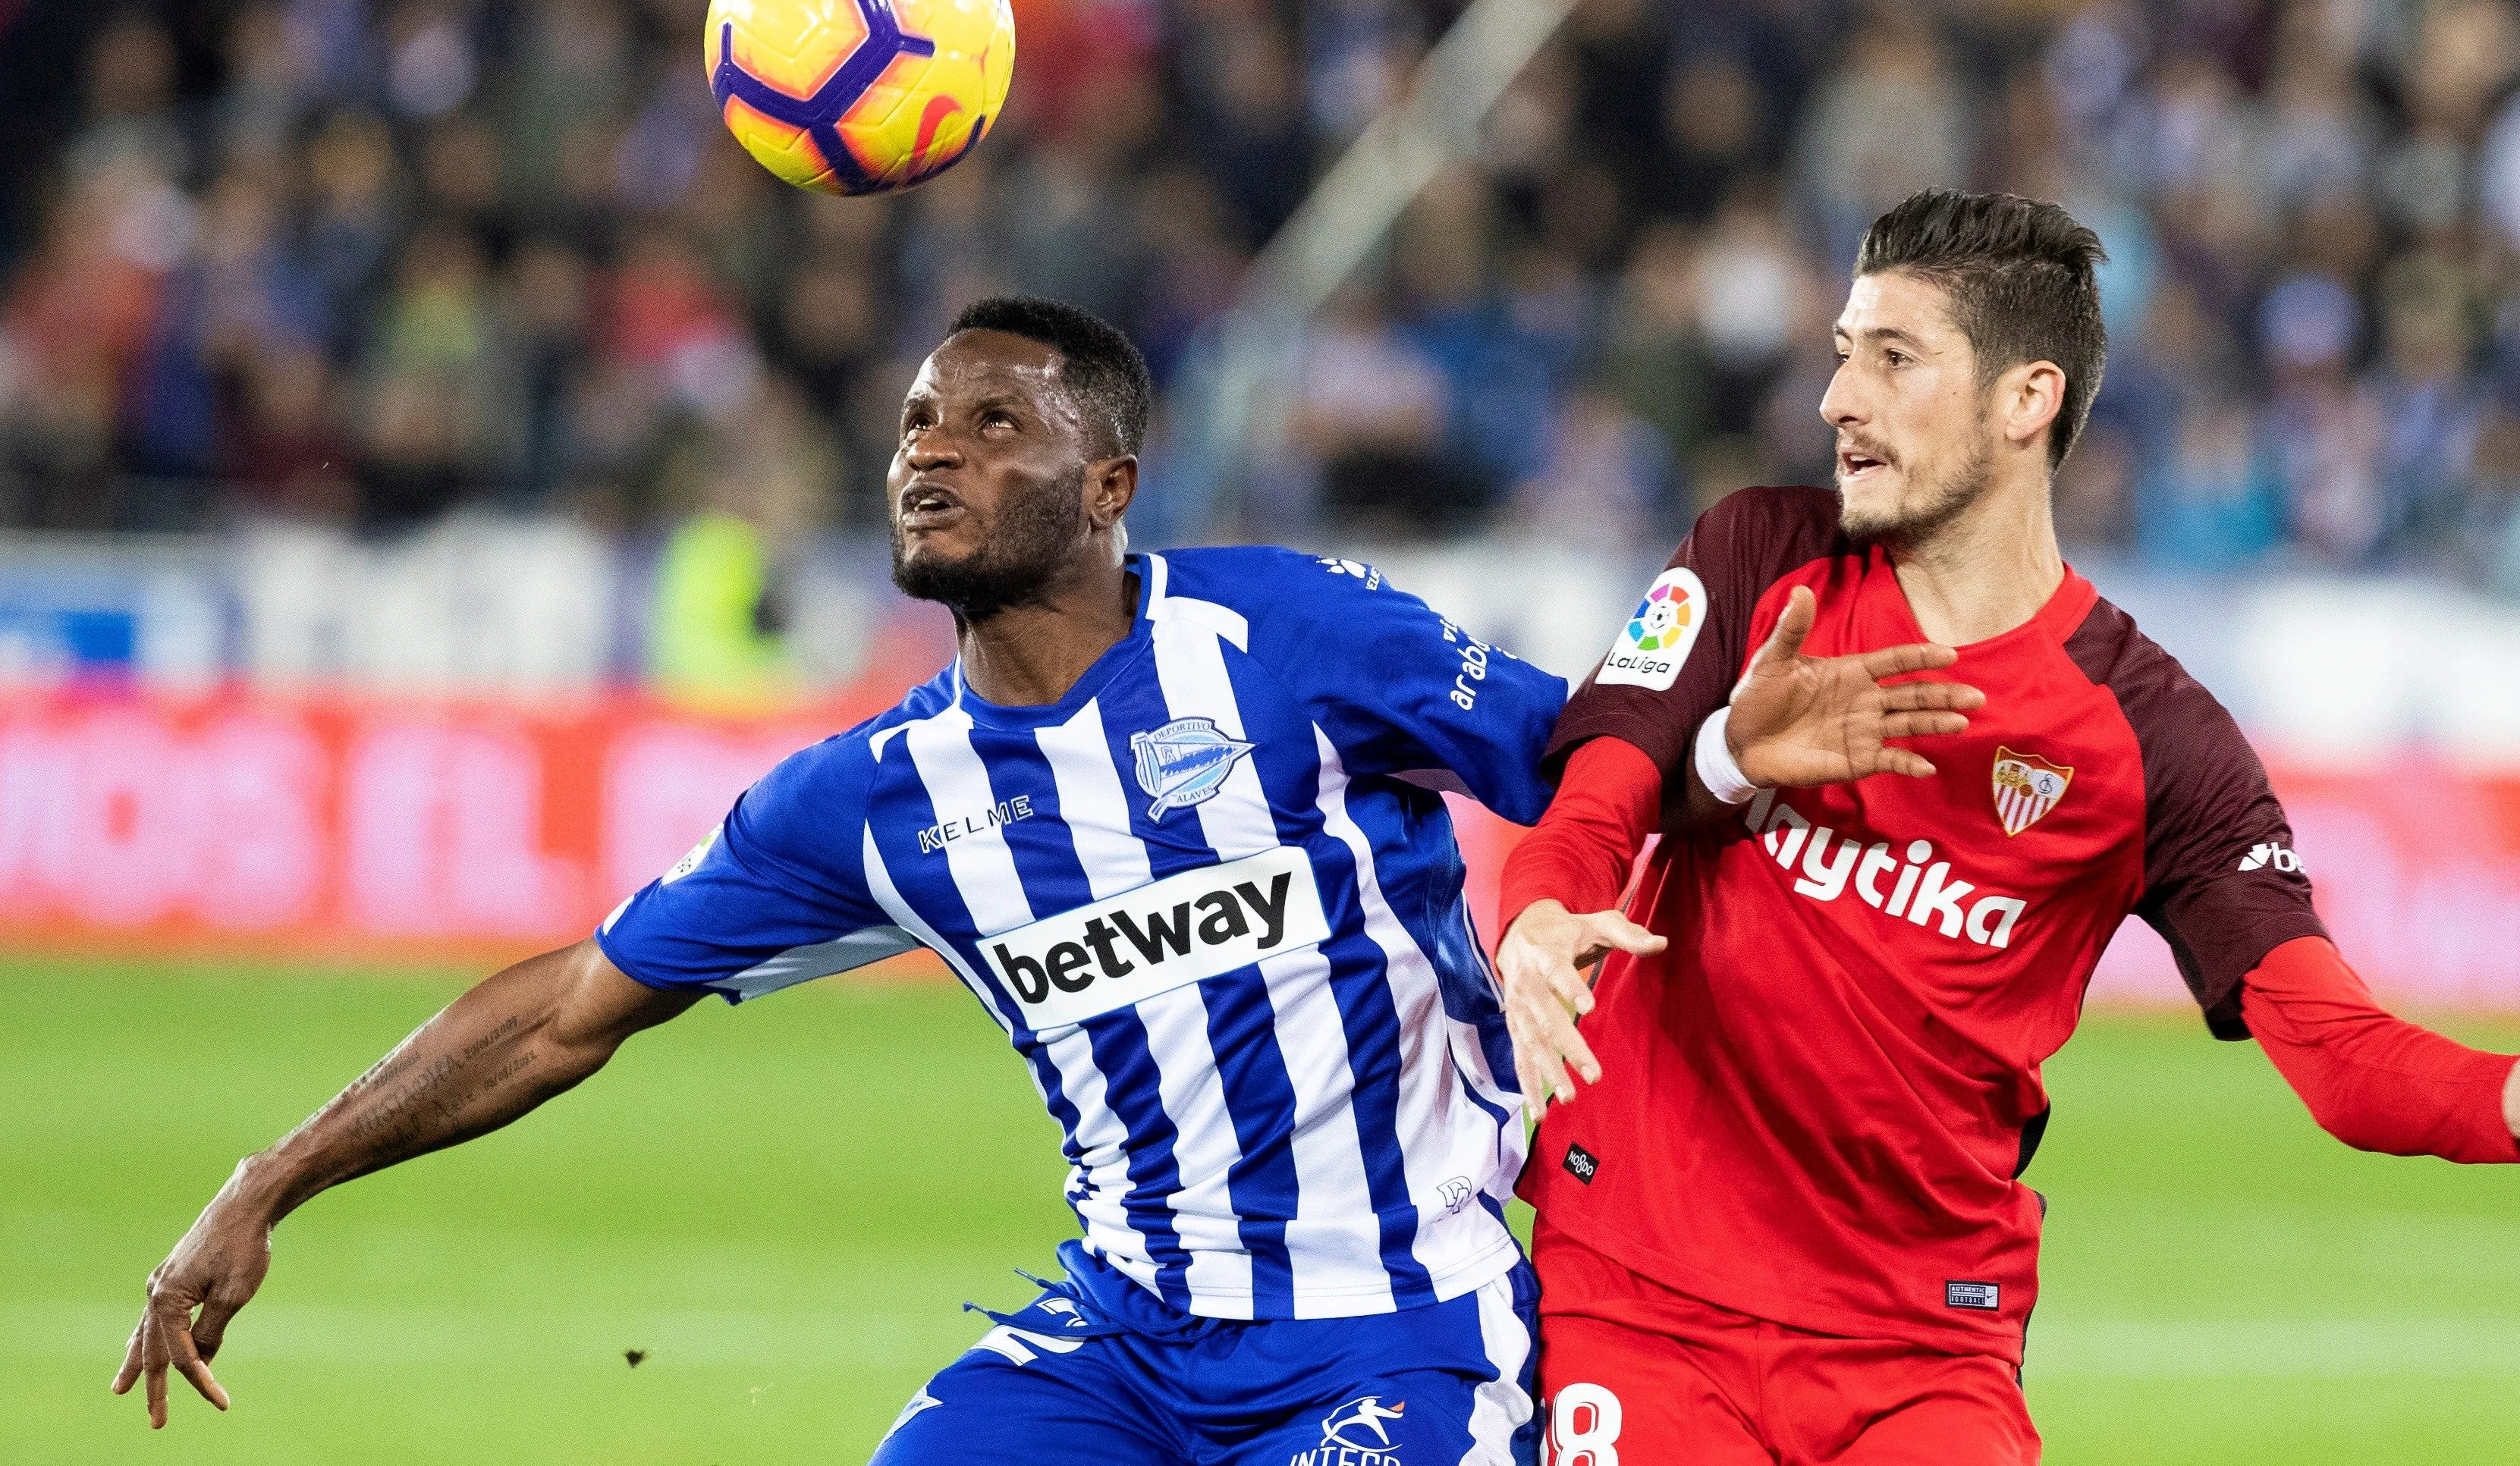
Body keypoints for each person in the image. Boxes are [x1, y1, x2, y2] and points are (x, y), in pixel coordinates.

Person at [117, 297, 1561, 1465]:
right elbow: (568, 1007)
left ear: (1110, 486)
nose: (932, 452)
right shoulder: (871, 799)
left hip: (1399, 1324)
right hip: (1126, 1342)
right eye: (919, 421)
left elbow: (1595, 761)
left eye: (997, 423)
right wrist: (272, 1178)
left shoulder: (1289, 637)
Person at [1494, 190, 2520, 1465]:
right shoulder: (1756, 559)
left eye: (1893, 358)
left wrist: (2504, 1091)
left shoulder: (2157, 738)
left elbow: (2327, 1037)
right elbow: (1590, 806)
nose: (1838, 397)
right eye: (1845, 350)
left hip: (1921, 1353)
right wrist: (1538, 913)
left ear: (2026, 400)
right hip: (1646, 1301)